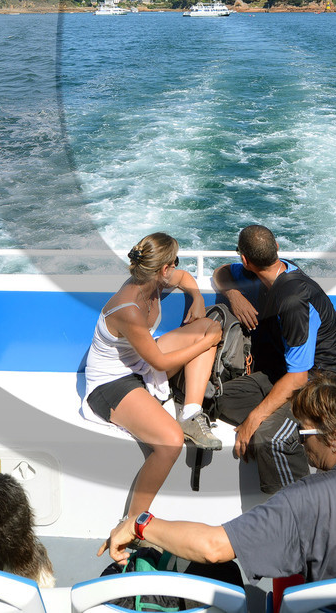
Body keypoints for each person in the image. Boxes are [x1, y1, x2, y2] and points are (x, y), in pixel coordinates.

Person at [101, 371, 336, 613]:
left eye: (303, 433)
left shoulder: (303, 499)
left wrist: (139, 524)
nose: (298, 442)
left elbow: (213, 548)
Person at [83, 233, 224, 547]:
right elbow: (159, 361)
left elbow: (185, 278)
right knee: (170, 442)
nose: (176, 268)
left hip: (139, 366)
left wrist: (197, 298)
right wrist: (207, 343)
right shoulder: (128, 308)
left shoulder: (155, 280)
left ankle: (191, 413)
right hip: (110, 383)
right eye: (174, 262)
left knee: (208, 325)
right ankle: (132, 524)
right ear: (163, 268)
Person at [211, 224, 336, 494]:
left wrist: (254, 418)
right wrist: (233, 295)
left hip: (323, 383)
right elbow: (221, 271)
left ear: (246, 259)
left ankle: (300, 506)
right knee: (220, 398)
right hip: (283, 374)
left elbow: (299, 377)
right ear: (276, 248)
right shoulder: (271, 270)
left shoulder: (294, 301)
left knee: (270, 438)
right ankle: (280, 416)